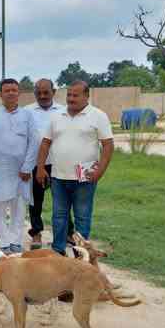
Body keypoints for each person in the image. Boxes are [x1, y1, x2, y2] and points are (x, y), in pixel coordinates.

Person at [36, 80, 114, 256]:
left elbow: (108, 145)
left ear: (86, 96)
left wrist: (100, 170)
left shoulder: (98, 116)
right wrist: (40, 167)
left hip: (85, 178)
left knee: (82, 217)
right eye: (69, 95)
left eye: (75, 95)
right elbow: (45, 142)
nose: (71, 98)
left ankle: (81, 254)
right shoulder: (56, 116)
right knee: (59, 216)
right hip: (58, 176)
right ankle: (58, 251)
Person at [0, 78, 39, 254]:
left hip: (21, 171)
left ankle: (15, 241)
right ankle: (3, 243)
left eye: (14, 90)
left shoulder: (28, 115)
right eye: (7, 90)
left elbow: (34, 142)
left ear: (19, 93)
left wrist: (27, 167)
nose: (11, 93)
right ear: (0, 94)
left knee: (19, 207)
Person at [24, 78, 73, 249]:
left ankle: (68, 233)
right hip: (36, 163)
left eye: (46, 92)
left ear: (54, 92)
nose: (42, 96)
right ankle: (36, 233)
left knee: (63, 201)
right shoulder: (27, 111)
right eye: (39, 93)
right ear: (34, 93)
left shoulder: (64, 110)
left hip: (59, 163)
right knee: (35, 201)